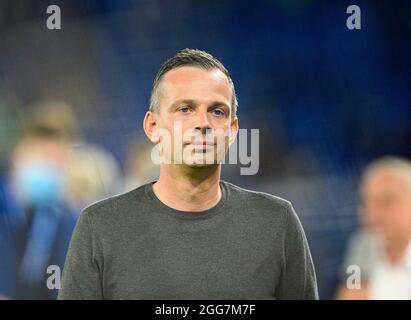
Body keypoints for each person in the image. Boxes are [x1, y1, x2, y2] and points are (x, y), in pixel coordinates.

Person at [58, 48, 318, 300]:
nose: (203, 123)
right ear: (153, 126)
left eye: (217, 111)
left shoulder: (277, 222)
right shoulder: (100, 226)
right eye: (185, 109)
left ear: (232, 130)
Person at [336, 157, 411, 300]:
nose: (374, 213)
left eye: (387, 201)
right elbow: (351, 292)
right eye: (368, 202)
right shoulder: (360, 252)